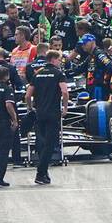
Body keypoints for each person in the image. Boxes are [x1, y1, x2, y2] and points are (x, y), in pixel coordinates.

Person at [26, 49, 70, 183]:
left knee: (41, 143)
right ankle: (40, 173)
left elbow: (28, 95)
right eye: (59, 60)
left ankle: (43, 173)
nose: (60, 62)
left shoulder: (37, 74)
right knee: (50, 145)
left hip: (39, 113)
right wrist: (65, 107)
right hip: (53, 113)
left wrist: (30, 107)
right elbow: (65, 92)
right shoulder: (58, 74)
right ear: (53, 59)